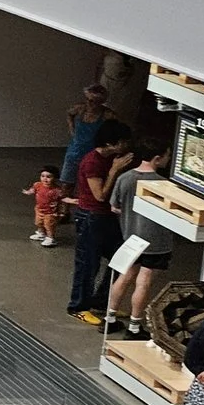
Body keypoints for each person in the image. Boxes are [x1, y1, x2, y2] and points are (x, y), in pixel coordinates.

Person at [65, 121, 134, 326]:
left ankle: (102, 301)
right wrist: (114, 171)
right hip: (91, 217)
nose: (127, 146)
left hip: (107, 217)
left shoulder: (112, 158)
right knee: (88, 264)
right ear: (112, 143)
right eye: (123, 142)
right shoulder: (92, 163)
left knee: (121, 259)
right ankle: (78, 306)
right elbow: (100, 195)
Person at [104, 146, 173, 339]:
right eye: (167, 156)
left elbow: (114, 207)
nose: (168, 159)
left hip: (131, 237)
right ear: (157, 158)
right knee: (144, 282)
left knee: (124, 277)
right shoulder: (163, 184)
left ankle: (109, 318)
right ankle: (134, 326)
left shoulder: (124, 178)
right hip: (156, 242)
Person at [60, 82, 111, 200]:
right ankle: (63, 211)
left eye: (93, 101)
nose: (89, 103)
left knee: (89, 182)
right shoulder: (80, 108)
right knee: (67, 182)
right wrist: (71, 129)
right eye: (88, 99)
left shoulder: (106, 114)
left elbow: (116, 127)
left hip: (91, 153)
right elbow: (69, 113)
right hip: (74, 150)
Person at [28, 168, 63, 248]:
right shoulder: (38, 185)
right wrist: (29, 192)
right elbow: (33, 189)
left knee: (49, 225)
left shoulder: (56, 190)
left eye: (48, 177)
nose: (45, 179)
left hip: (50, 212)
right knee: (38, 222)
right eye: (42, 176)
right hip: (39, 209)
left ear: (54, 178)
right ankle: (41, 234)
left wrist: (71, 201)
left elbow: (62, 198)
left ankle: (51, 238)